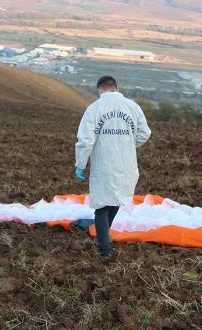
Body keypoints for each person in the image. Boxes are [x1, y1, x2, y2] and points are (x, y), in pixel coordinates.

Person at [74, 76, 151, 259]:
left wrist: (80, 164)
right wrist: (127, 144)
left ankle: (104, 249)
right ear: (116, 88)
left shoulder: (94, 109)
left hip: (104, 165)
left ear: (100, 90)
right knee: (115, 201)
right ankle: (104, 237)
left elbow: (86, 140)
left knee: (101, 206)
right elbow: (145, 133)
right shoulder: (132, 107)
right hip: (126, 164)